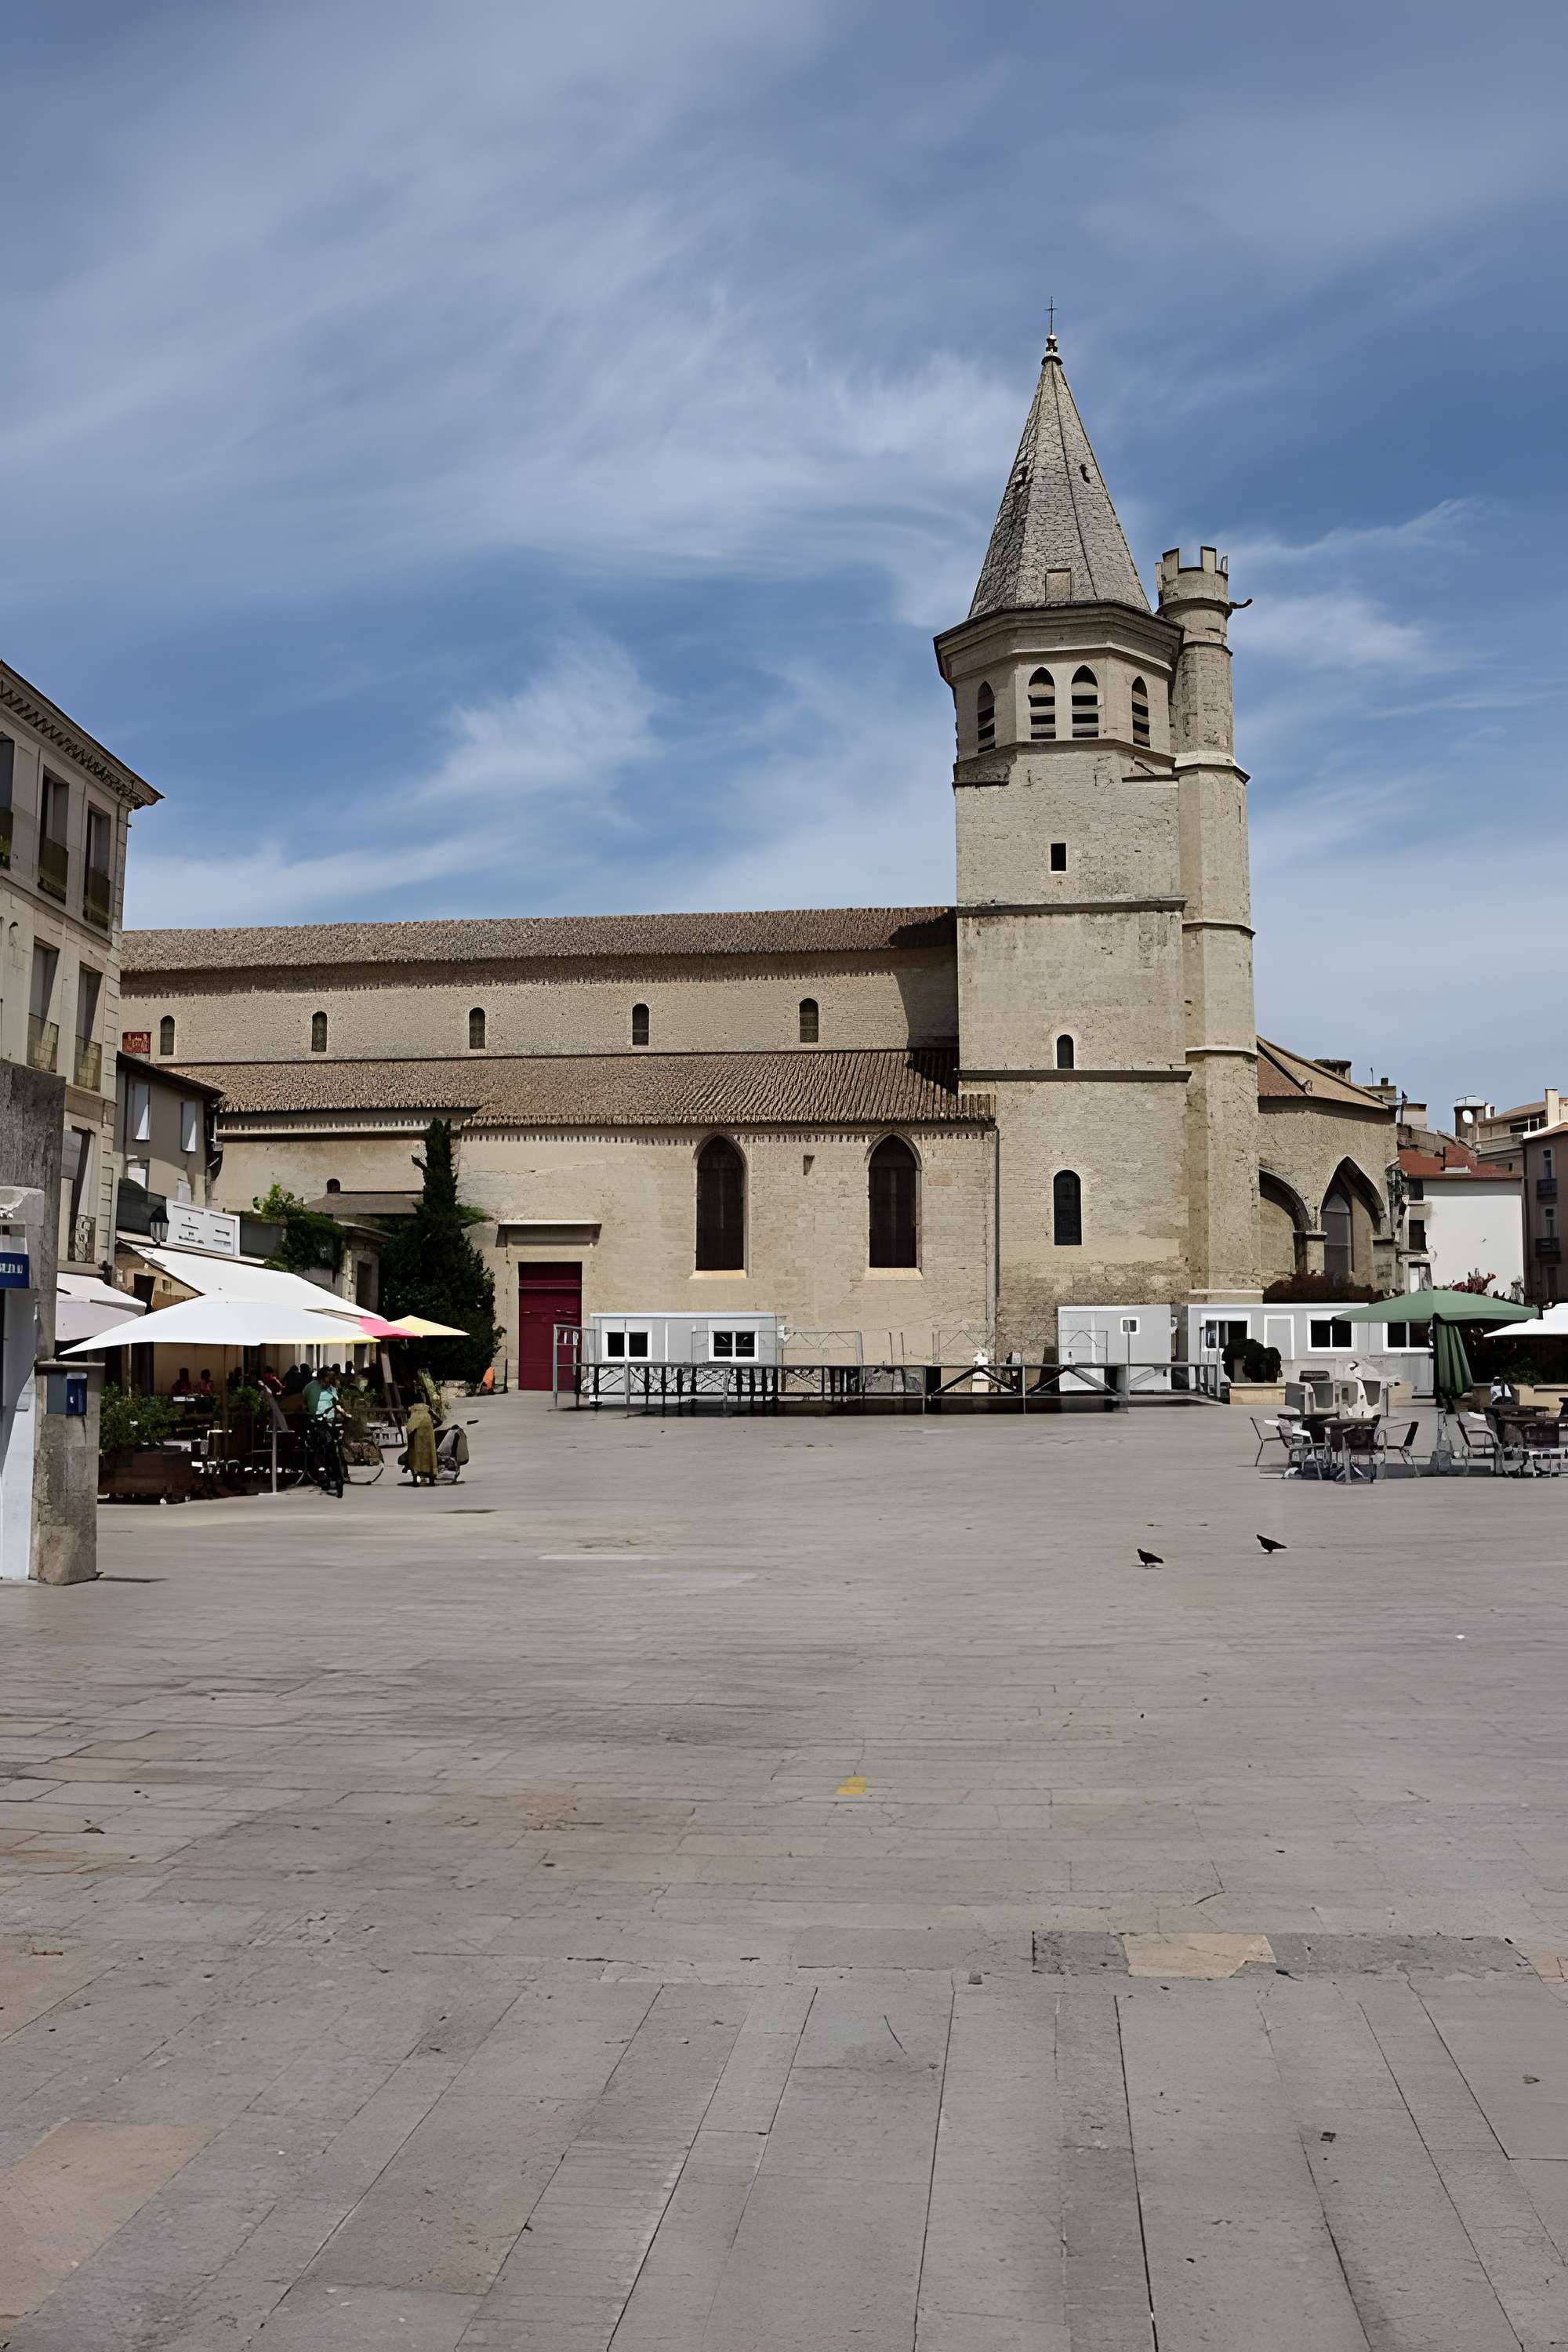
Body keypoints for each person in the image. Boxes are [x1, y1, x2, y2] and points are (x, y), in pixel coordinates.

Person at [402, 1397, 439, 1485]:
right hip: (429, 1435)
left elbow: (409, 1425)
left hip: (416, 1434)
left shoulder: (411, 1409)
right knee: (430, 1455)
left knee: (414, 1455)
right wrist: (431, 1428)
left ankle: (415, 1480)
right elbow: (439, 1421)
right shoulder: (427, 1409)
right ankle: (432, 1480)